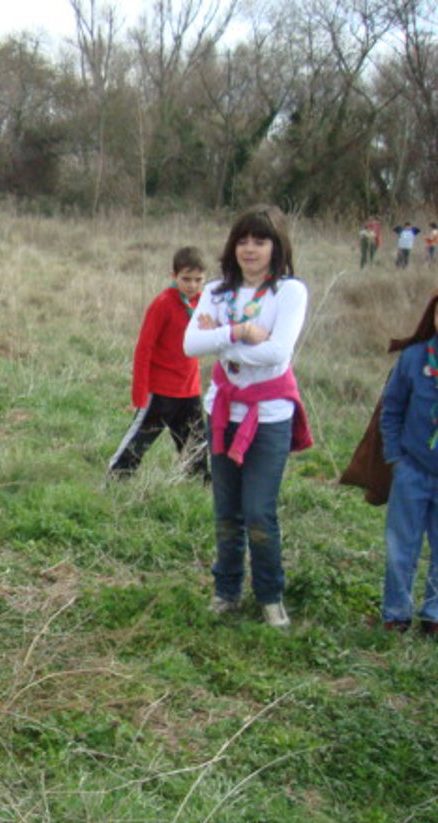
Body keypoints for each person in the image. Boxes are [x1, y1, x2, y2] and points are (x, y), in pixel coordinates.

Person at [184, 204, 313, 628]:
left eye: (260, 240)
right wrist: (238, 332)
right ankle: (226, 591)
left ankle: (270, 596)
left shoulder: (289, 292)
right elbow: (190, 345)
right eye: (242, 240)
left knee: (258, 511)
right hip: (222, 410)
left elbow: (277, 352)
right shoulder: (218, 291)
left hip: (269, 415)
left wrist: (218, 340)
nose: (250, 249)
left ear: (277, 246)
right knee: (226, 511)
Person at [107, 246, 210, 482]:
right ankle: (116, 481)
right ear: (174, 276)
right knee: (139, 441)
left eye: (198, 280)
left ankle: (199, 486)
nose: (192, 285)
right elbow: (144, 348)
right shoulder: (163, 304)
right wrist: (140, 393)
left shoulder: (204, 304)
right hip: (161, 391)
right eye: (186, 279)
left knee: (196, 445)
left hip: (189, 390)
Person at [379, 292, 438, 634]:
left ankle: (433, 615)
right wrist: (396, 458)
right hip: (412, 468)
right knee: (400, 545)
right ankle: (396, 613)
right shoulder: (414, 357)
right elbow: (392, 409)